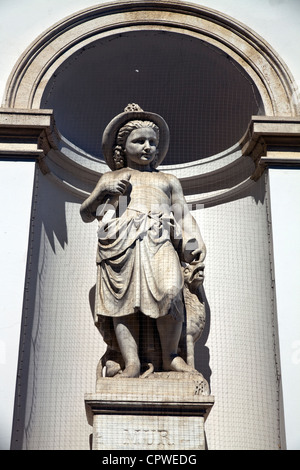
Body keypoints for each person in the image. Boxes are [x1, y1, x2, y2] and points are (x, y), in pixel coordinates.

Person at [80, 104, 206, 378]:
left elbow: (183, 215)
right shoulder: (112, 178)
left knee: (171, 291)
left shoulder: (167, 179)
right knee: (121, 302)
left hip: (160, 237)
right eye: (139, 141)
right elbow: (87, 214)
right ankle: (132, 362)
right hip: (120, 243)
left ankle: (171, 356)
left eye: (153, 142)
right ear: (123, 147)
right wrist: (102, 190)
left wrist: (193, 243)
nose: (148, 146)